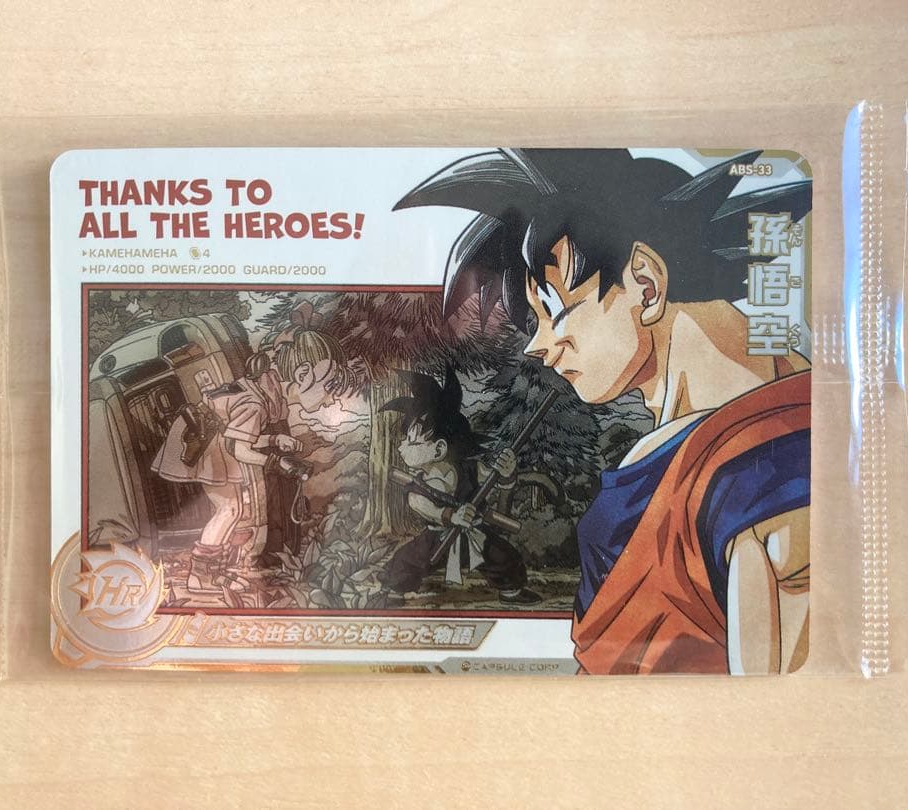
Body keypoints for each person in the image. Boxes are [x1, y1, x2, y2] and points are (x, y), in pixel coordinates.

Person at [395, 149, 812, 673]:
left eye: (555, 310)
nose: (538, 346)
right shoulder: (701, 443)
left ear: (646, 284)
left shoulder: (767, 466)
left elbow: (775, 698)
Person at [152, 303, 349, 594]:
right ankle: (200, 577)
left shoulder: (255, 390)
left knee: (230, 509)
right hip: (202, 441)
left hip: (211, 438)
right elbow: (240, 450)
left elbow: (243, 439)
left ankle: (213, 573)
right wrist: (277, 463)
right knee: (229, 508)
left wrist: (274, 441)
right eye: (328, 387)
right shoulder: (255, 404)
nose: (329, 399)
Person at [380, 368, 541, 606]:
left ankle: (511, 592)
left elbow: (496, 482)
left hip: (475, 533)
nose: (402, 446)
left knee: (504, 557)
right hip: (437, 537)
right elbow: (419, 503)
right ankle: (393, 592)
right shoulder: (420, 482)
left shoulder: (471, 470)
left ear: (439, 448)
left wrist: (507, 475)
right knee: (407, 560)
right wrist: (449, 516)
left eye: (411, 441)